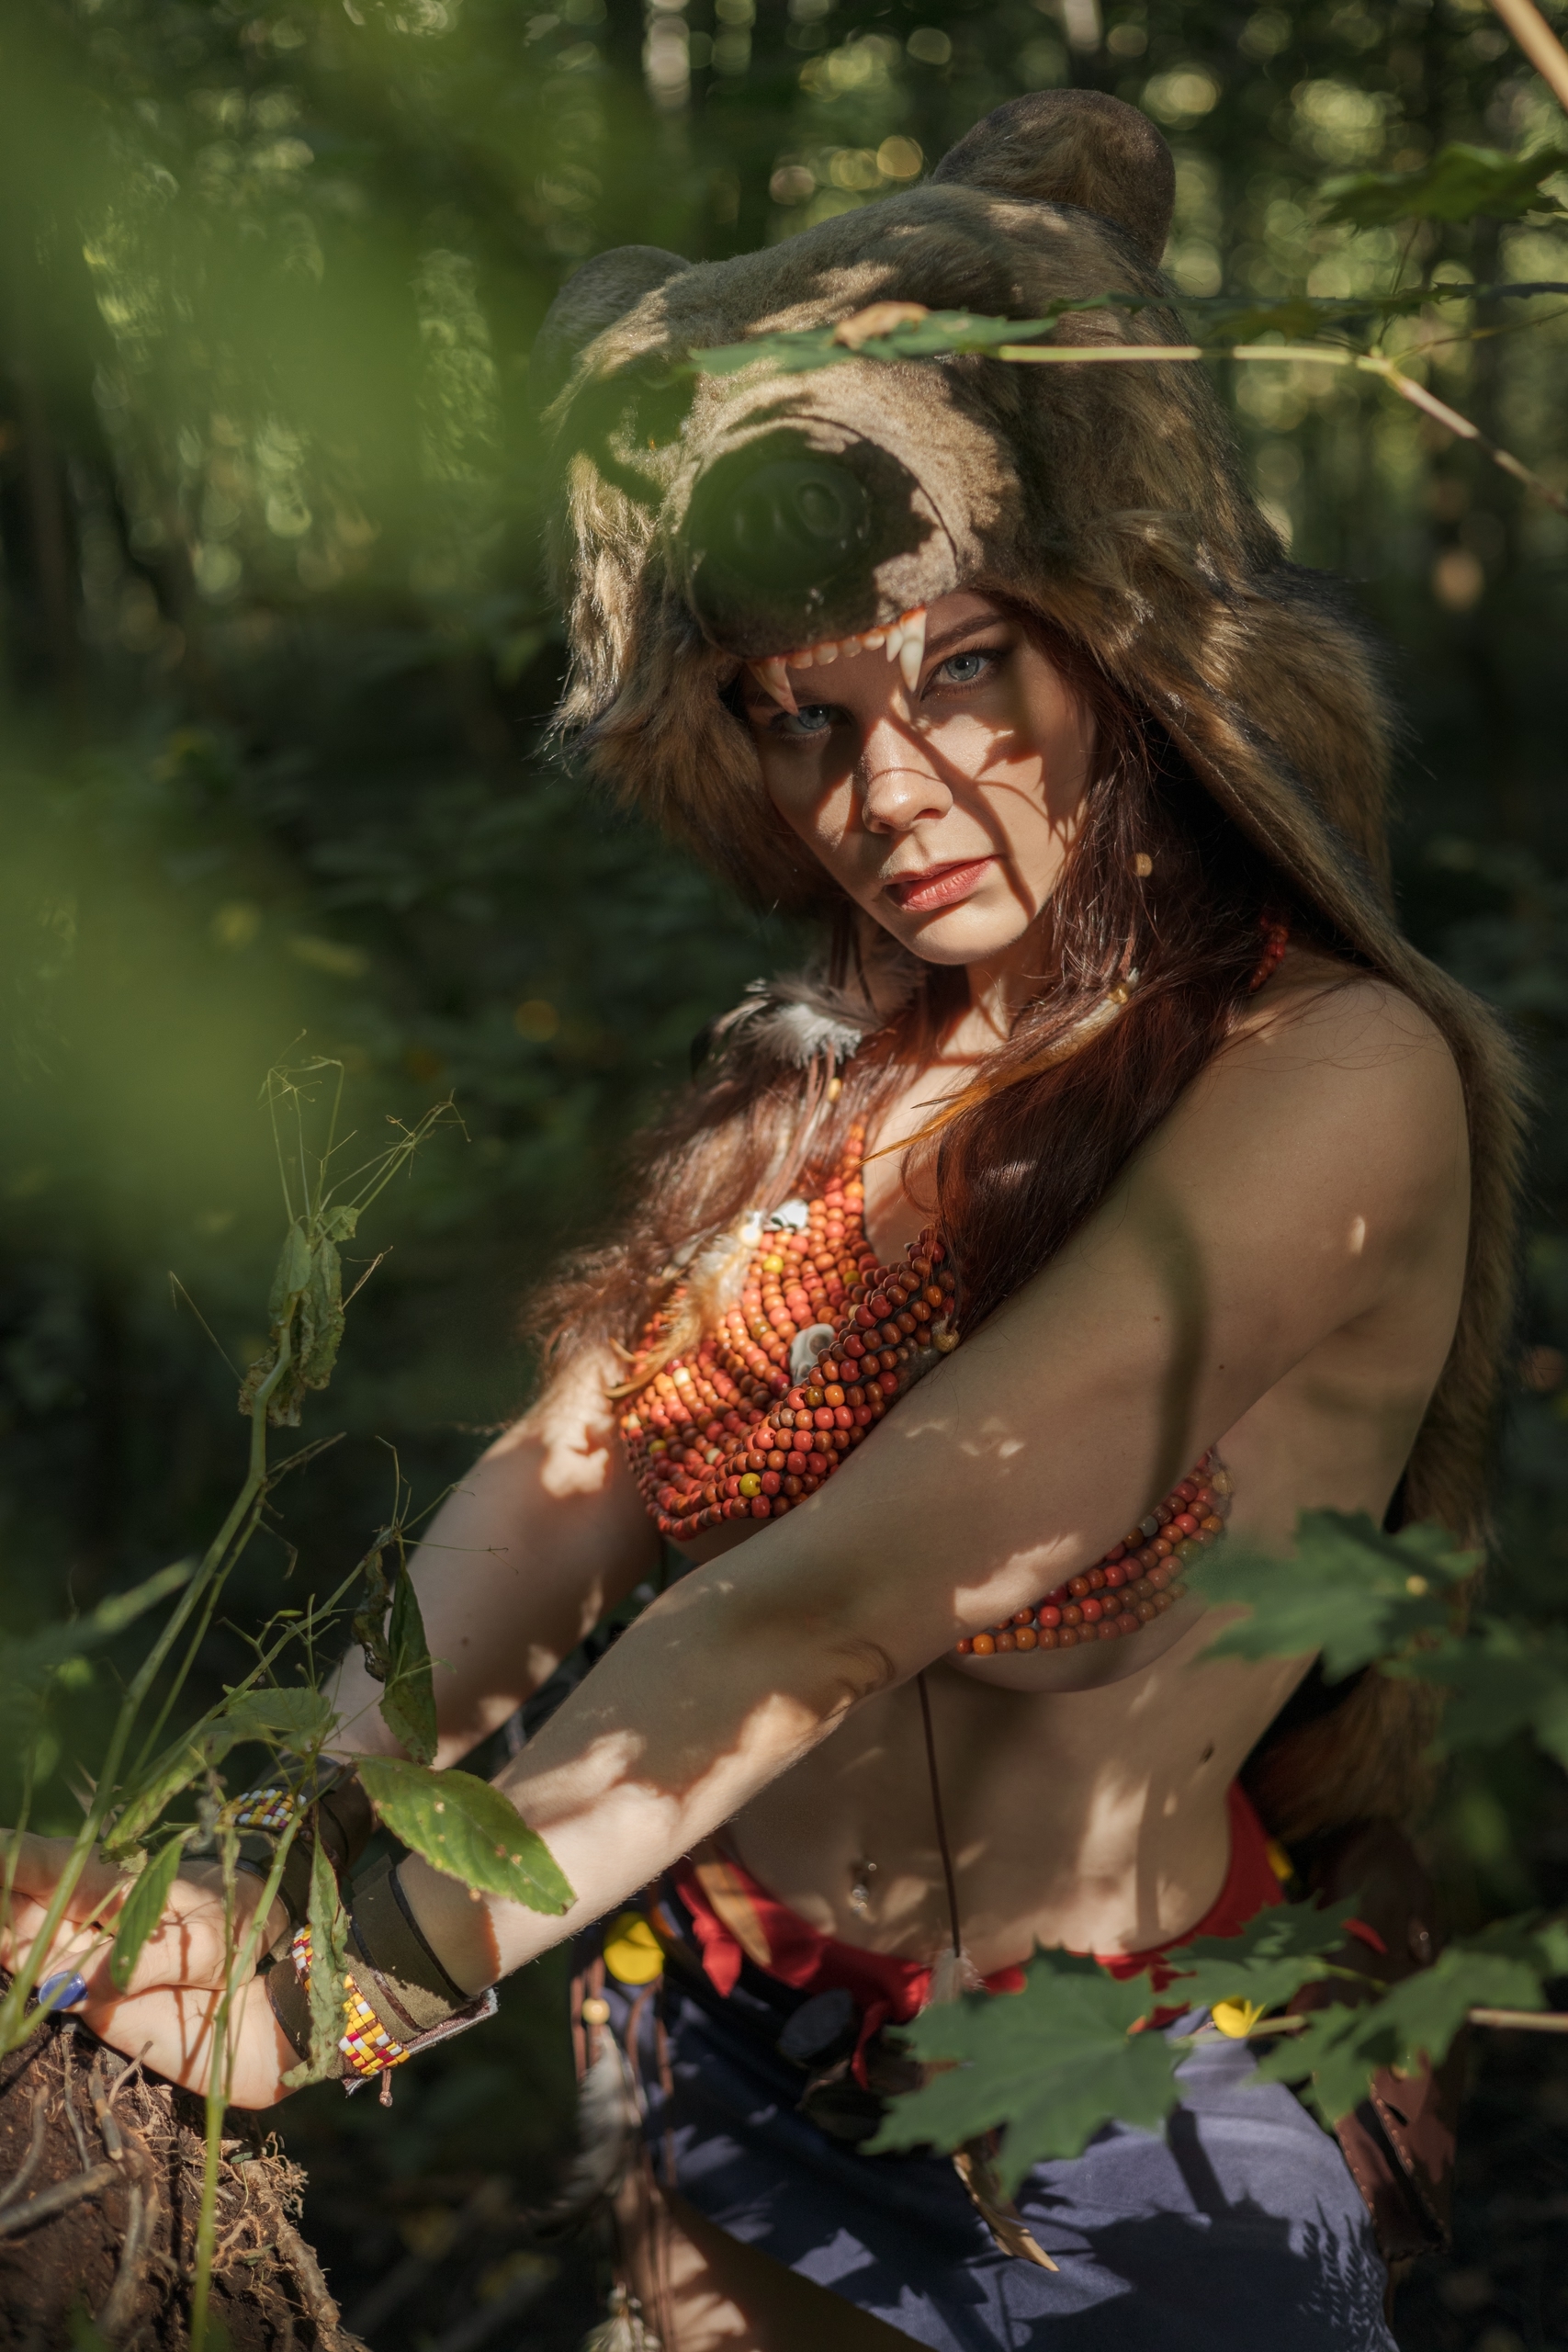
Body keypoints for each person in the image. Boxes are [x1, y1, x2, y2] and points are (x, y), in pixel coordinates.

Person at [4, 90, 1524, 2352]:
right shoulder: (816, 1072)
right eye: (796, 718)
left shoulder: (1327, 1076)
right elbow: (551, 1494)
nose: (887, 790)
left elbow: (824, 1602)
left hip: (1123, 2124)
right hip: (717, 2024)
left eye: (964, 663)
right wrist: (266, 1862)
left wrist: (329, 1988)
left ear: (1114, 644)